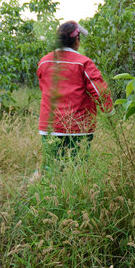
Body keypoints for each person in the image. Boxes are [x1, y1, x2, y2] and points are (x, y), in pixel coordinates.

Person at [37, 21, 113, 170]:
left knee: (51, 167)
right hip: (78, 127)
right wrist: (110, 112)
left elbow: (44, 88)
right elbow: (99, 92)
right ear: (77, 40)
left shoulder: (44, 61)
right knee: (77, 168)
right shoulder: (83, 62)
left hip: (50, 125)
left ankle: (48, 191)